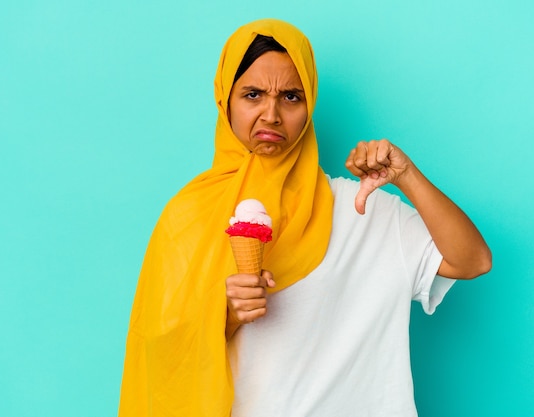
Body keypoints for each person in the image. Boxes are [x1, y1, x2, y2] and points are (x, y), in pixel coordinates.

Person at [118, 18, 491, 417]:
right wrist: (223, 315)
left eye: (291, 97)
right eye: (252, 94)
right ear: (225, 101)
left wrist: (408, 177)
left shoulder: (362, 207)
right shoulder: (187, 217)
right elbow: (160, 357)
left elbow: (473, 261)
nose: (271, 114)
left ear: (309, 104)